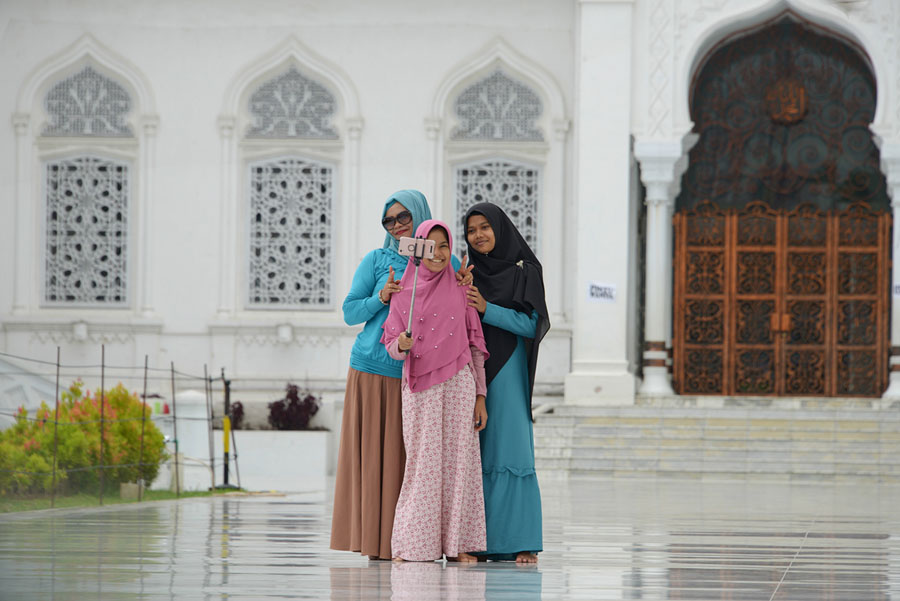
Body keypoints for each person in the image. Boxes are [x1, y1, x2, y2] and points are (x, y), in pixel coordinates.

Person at [331, 191, 468, 561]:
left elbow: (459, 308)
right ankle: (376, 541)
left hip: (420, 377)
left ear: (419, 214)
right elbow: (349, 312)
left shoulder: (445, 258)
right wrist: (382, 296)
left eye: (403, 216)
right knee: (377, 460)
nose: (396, 225)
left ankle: (411, 540)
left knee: (411, 460)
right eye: (388, 220)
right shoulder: (377, 260)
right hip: (373, 370)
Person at [381, 220, 489, 562]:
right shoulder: (403, 294)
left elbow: (476, 346)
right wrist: (400, 345)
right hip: (420, 389)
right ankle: (413, 544)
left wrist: (481, 396)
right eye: (431, 245)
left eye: (444, 246)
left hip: (459, 385)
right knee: (422, 464)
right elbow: (391, 343)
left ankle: (458, 545)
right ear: (418, 249)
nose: (438, 253)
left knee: (460, 465)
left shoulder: (461, 290)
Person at [463, 202, 549, 563]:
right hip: (469, 369)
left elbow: (532, 325)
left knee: (511, 450)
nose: (478, 235)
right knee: (475, 452)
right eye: (471, 230)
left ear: (500, 228)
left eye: (485, 227)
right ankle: (476, 539)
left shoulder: (524, 271)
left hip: (508, 367)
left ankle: (521, 541)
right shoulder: (466, 272)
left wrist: (487, 308)